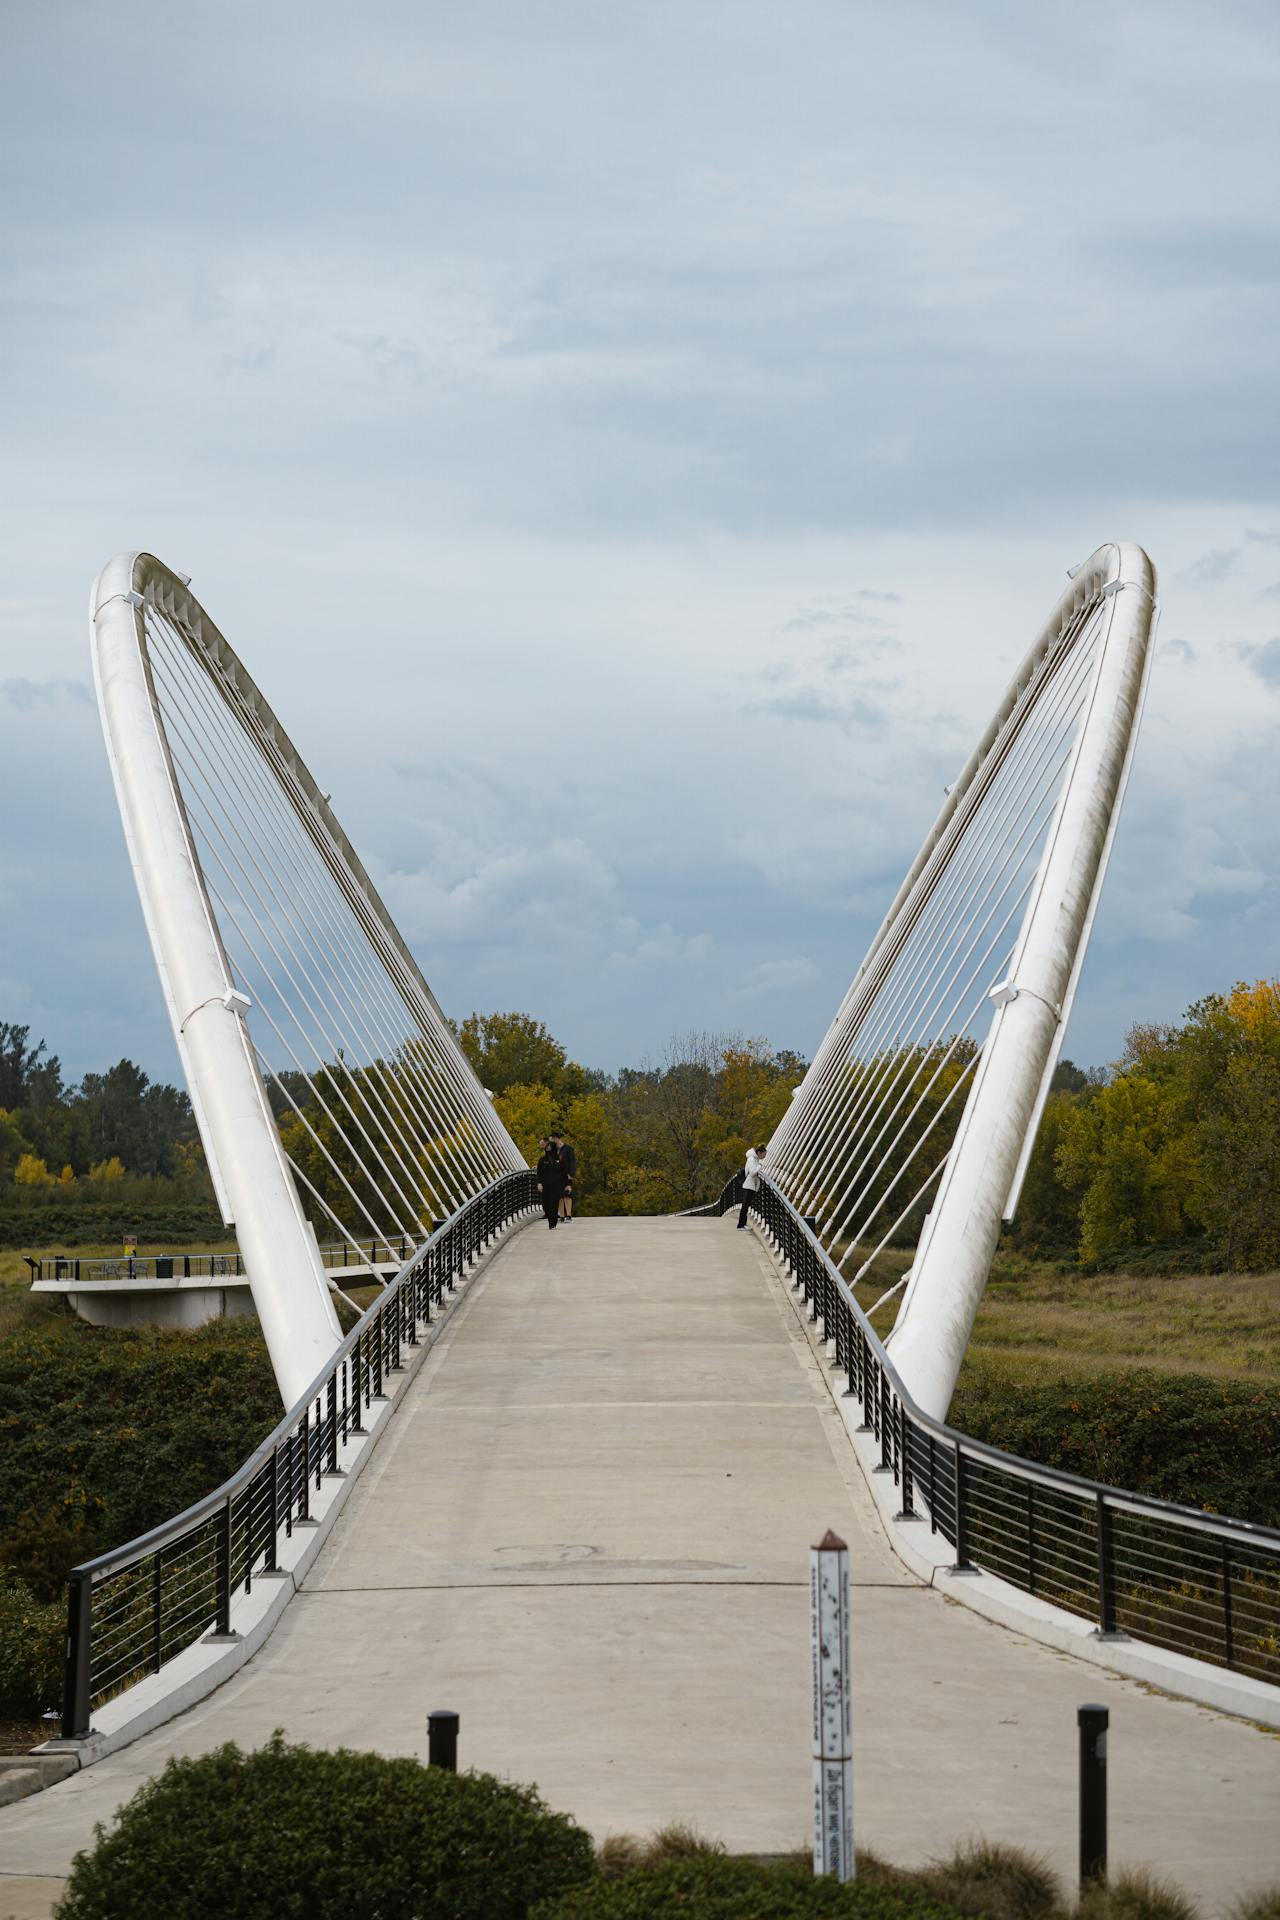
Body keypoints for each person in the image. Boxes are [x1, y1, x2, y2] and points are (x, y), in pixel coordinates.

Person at [536, 1139, 565, 1229]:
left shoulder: (559, 1159)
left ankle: (553, 1224)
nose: (548, 1148)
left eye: (549, 1146)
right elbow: (539, 1173)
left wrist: (567, 1185)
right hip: (546, 1185)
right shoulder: (542, 1160)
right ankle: (550, 1220)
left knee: (554, 1204)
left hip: (556, 1186)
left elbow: (564, 1172)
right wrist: (539, 1183)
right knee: (546, 1205)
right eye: (547, 1147)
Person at [737, 1143, 767, 1229]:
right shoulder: (751, 1159)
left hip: (751, 1185)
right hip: (749, 1185)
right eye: (764, 1155)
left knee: (746, 1206)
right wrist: (759, 1166)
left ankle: (743, 1224)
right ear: (759, 1153)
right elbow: (753, 1172)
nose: (764, 1157)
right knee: (745, 1206)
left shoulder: (755, 1159)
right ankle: (740, 1225)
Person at [554, 1131, 577, 1221]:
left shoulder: (568, 1149)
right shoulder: (553, 1150)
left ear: (557, 1139)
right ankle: (562, 1216)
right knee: (559, 1195)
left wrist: (571, 1174)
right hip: (557, 1176)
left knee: (567, 1194)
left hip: (566, 1175)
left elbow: (572, 1162)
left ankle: (568, 1215)